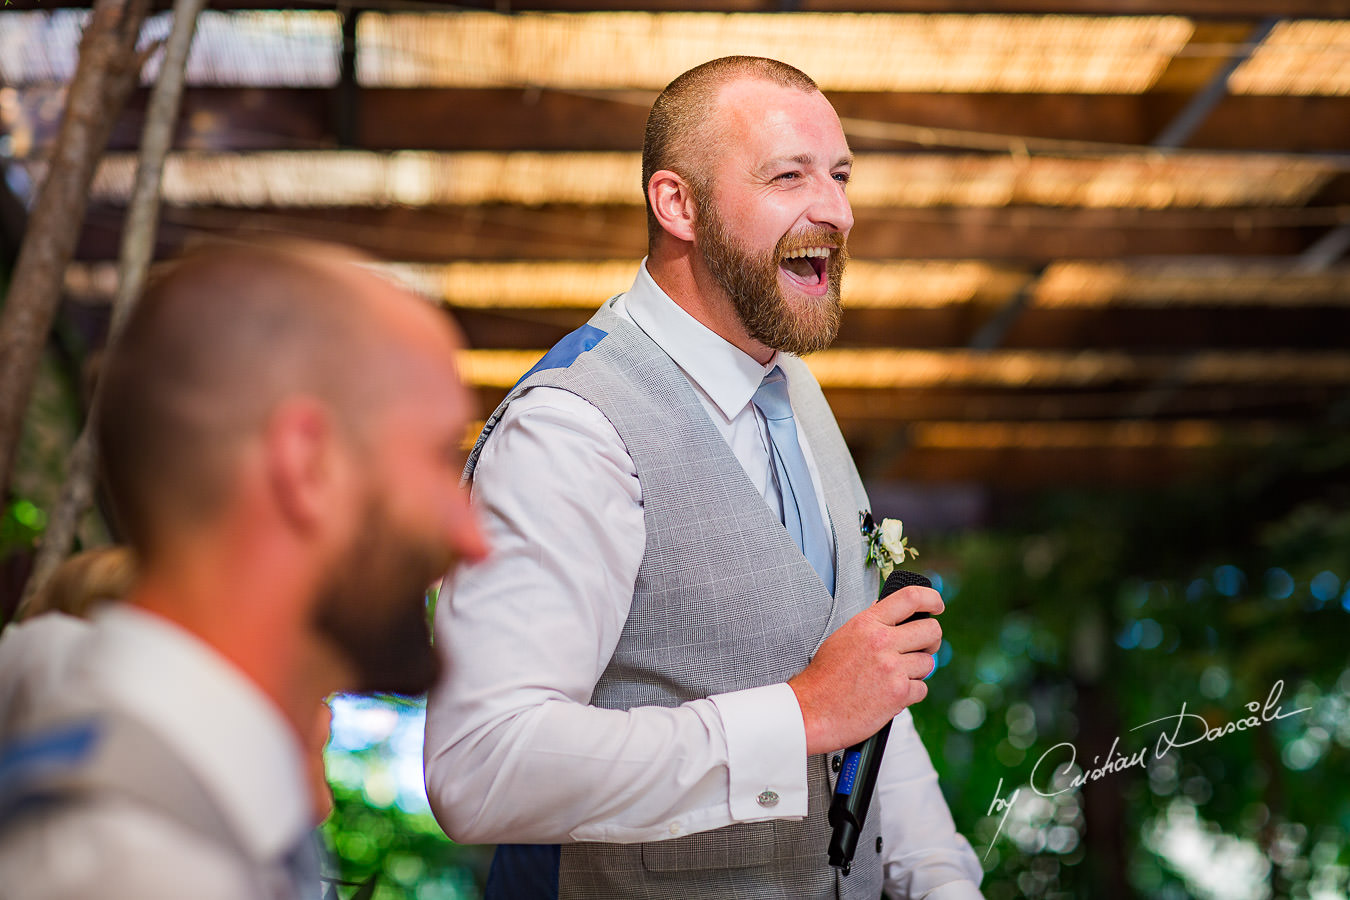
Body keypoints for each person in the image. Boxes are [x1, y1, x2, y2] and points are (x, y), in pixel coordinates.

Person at [423, 56, 984, 899]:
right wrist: (795, 715)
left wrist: (943, 882)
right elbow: (480, 767)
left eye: (838, 176)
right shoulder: (571, 430)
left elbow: (868, 700)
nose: (835, 210)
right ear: (677, 204)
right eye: (789, 176)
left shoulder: (796, 390)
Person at [0, 240, 487, 899]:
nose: (472, 536)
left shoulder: (162, 799)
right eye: (434, 457)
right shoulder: (141, 868)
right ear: (308, 466)